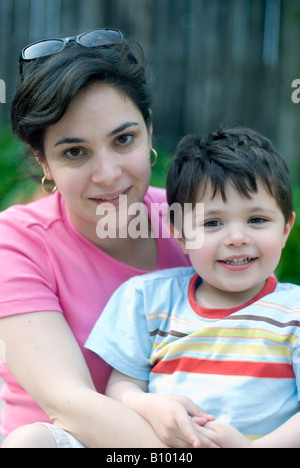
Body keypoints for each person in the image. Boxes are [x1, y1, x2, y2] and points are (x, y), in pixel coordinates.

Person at [0, 28, 196, 448]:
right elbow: (69, 404)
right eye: (75, 152)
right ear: (43, 161)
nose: (107, 175)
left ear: (148, 131)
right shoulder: (17, 241)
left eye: (123, 139)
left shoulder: (197, 222)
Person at [85, 127, 300, 448]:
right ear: (181, 235)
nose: (237, 238)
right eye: (212, 223)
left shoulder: (293, 312)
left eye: (256, 219)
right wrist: (149, 405)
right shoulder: (147, 300)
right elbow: (121, 386)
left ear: (285, 229)